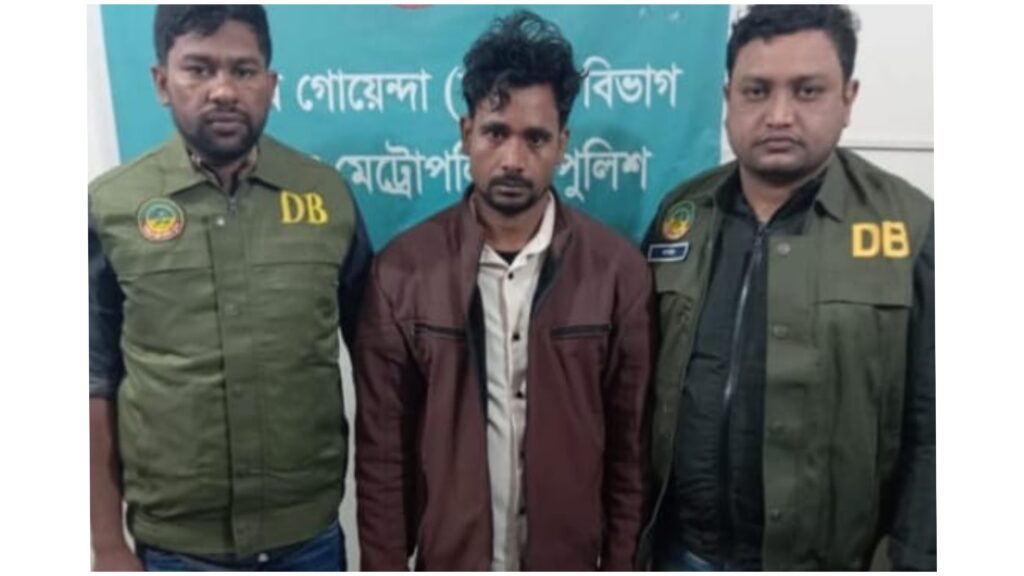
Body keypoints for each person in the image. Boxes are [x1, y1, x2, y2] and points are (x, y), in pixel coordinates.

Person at [637, 5, 935, 571]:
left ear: (848, 98)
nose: (779, 115)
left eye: (807, 91)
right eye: (756, 91)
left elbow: (938, 429)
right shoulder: (683, 213)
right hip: (682, 553)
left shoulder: (910, 228)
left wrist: (911, 560)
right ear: (727, 98)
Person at [354, 10, 653, 571]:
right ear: (466, 134)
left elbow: (630, 456)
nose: (514, 159)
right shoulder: (401, 273)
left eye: (535, 138)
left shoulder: (618, 273)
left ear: (562, 144)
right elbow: (382, 459)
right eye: (496, 133)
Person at [89, 5, 371, 571]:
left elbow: (378, 362)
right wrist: (107, 545)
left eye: (243, 71)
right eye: (198, 69)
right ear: (161, 82)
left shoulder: (326, 197)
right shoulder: (111, 206)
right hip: (175, 551)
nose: (223, 91)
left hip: (308, 541)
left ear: (271, 84)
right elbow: (91, 381)